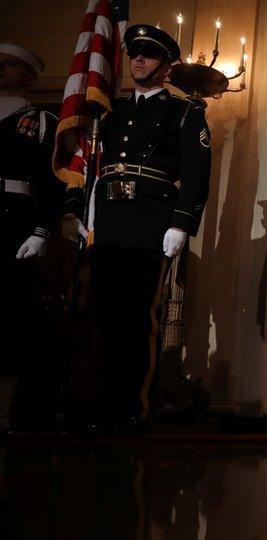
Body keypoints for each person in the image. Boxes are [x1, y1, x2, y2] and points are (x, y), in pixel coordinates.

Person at [62, 25, 211, 434]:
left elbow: (196, 176)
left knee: (136, 319)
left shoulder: (184, 112)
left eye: (148, 55)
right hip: (109, 224)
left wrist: (182, 223)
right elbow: (96, 169)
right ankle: (107, 404)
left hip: (150, 224)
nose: (138, 61)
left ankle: (132, 408)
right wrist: (82, 211)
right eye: (135, 54)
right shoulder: (113, 114)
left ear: (165, 66)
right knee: (108, 317)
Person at [0, 43, 62, 431]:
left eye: (10, 65)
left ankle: (2, 410)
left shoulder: (40, 122)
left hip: (12, 222)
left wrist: (42, 229)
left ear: (31, 78)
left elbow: (51, 180)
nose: (2, 70)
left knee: (8, 317)